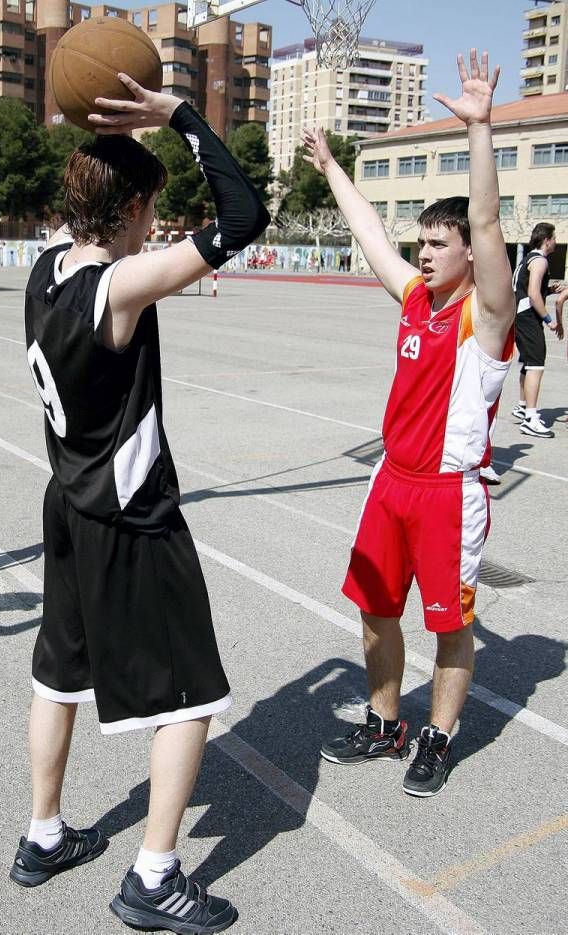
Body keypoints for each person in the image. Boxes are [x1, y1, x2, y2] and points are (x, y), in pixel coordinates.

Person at [10, 74, 269, 932]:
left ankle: (43, 835)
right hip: (131, 516)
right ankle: (154, 877)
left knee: (58, 673)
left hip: (68, 502)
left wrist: (97, 132)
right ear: (125, 210)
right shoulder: (116, 290)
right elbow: (242, 219)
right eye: (150, 208)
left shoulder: (47, 268)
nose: (156, 224)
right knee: (191, 697)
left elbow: (86, 213)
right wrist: (181, 118)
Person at [303, 50, 515, 797]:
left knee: (449, 625)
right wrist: (331, 165)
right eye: (421, 243)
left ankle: (439, 734)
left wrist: (482, 127)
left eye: (438, 245)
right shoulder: (416, 298)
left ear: (470, 255)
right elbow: (369, 234)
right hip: (391, 482)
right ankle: (387, 720)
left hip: (449, 493)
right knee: (373, 608)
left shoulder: (484, 318)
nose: (423, 254)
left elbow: (486, 218)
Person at [512, 223, 561, 438]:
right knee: (536, 366)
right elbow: (532, 293)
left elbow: (526, 289)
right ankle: (531, 419)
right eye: (554, 237)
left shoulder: (528, 258)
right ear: (547, 239)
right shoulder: (540, 261)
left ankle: (523, 406)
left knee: (528, 364)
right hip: (528, 318)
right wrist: (549, 319)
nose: (556, 241)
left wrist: (548, 290)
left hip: (519, 316)